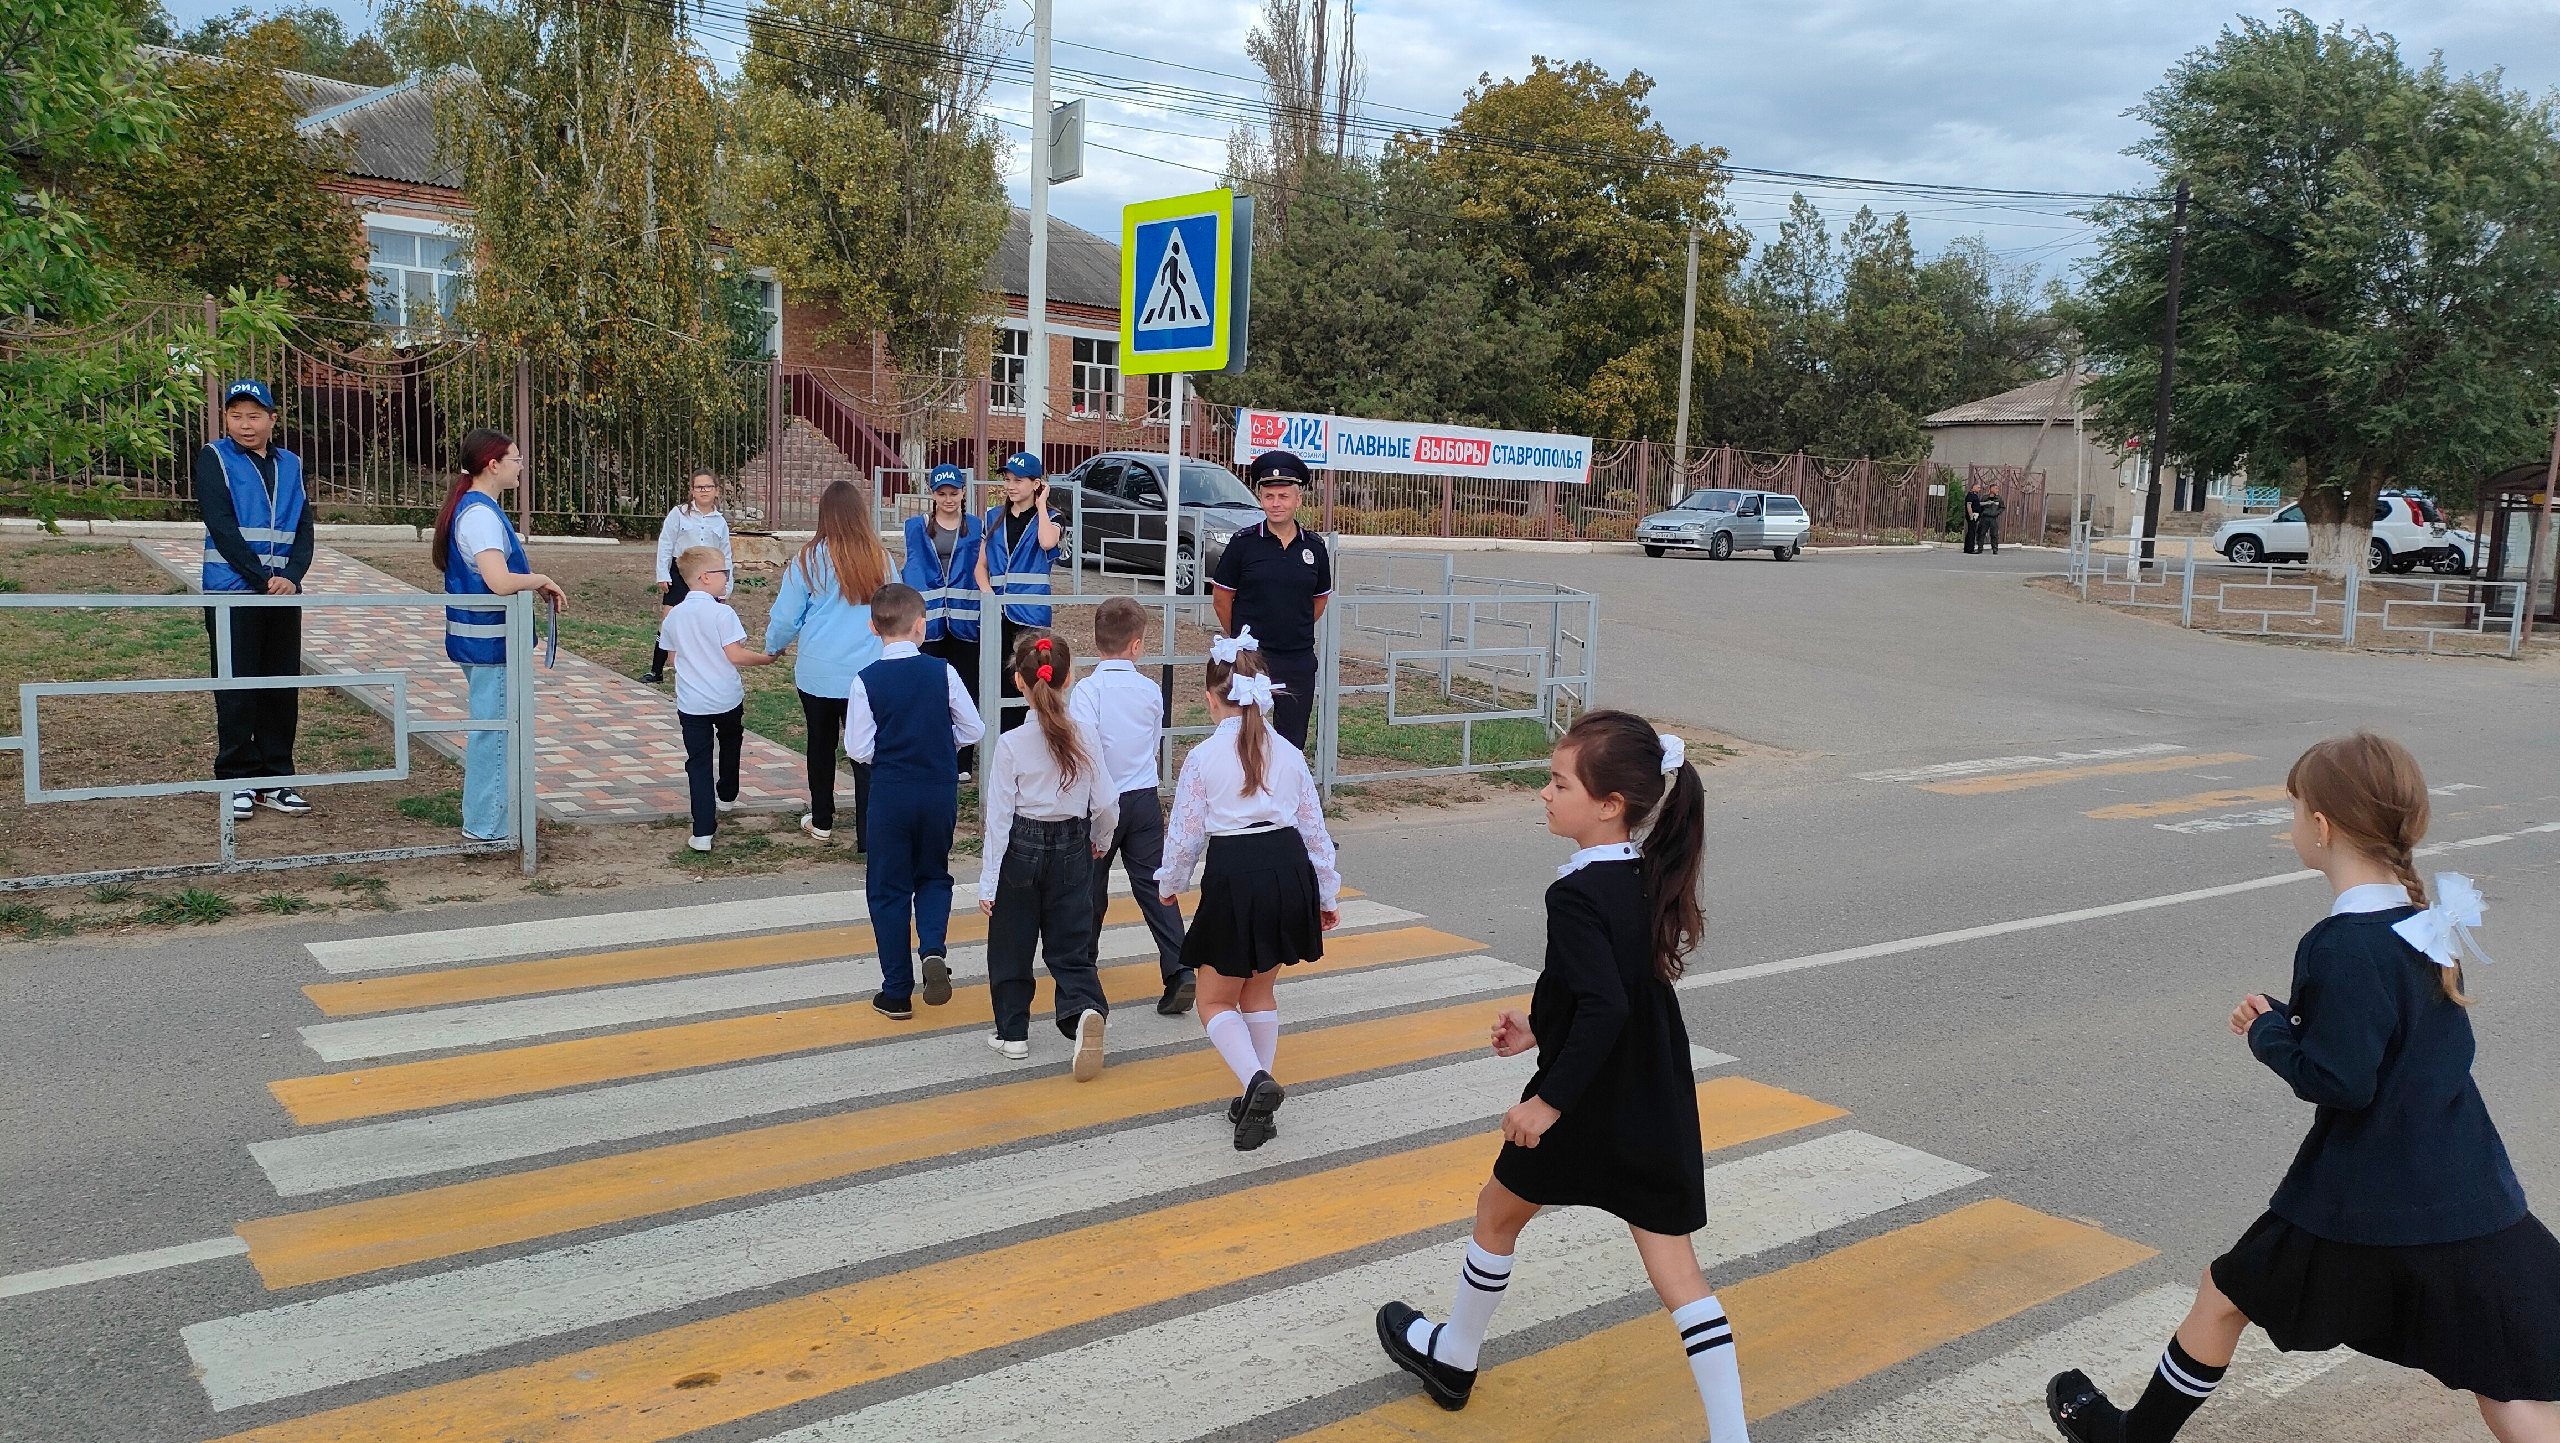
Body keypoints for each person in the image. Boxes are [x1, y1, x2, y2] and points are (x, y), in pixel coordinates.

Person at [2048, 733, 2559, 1443]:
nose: (2291, 827)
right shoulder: (2427, 924)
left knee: (2223, 1297)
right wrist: (2290, 1018)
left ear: (2321, 827)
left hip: (2358, 1197)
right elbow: (2403, 1043)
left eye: (2294, 812)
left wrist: (2270, 1036)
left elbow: (2342, 1079)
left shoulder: (2340, 942)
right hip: (2467, 1189)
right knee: (2508, 1376)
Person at [1374, 710, 1748, 1442]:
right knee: (1677, 1272)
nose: (1543, 792)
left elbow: (1605, 1003)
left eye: (1558, 781)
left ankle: (1453, 1357)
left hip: (1583, 1097)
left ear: (1608, 804)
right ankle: (1732, 1435)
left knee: (1496, 1212)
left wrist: (1547, 1099)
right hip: (1648, 1092)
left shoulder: (1574, 893)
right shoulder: (1644, 872)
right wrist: (1543, 1024)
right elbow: (1615, 988)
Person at [1155, 630, 1341, 1151]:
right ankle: (1254, 1101)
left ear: (1213, 699)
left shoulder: (1203, 757)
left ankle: (1257, 1082)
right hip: (1288, 869)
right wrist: (1326, 895)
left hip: (1236, 873)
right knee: (1259, 991)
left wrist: (1170, 884)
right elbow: (1314, 829)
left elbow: (1187, 832)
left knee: (1214, 1000)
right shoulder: (1286, 751)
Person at [976, 631, 1117, 1077]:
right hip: (1074, 844)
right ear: (1069, 678)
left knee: (1011, 943)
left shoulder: (1012, 744)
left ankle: (1012, 1033)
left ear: (1018, 682)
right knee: (1071, 942)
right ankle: (1083, 1012)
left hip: (1021, 847)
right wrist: (1100, 838)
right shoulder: (1087, 734)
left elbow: (998, 818)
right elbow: (1107, 802)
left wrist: (988, 882)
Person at [845, 582, 985, 1021]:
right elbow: (974, 729)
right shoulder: (942, 672)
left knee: (887, 890)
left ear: (873, 627)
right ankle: (933, 949)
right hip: (938, 789)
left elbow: (859, 748)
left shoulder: (865, 680)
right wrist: (942, 746)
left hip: (889, 792)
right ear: (921, 626)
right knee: (932, 875)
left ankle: (896, 991)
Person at [430, 429, 567, 843]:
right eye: (516, 459)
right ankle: (488, 827)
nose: (521, 467)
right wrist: (539, 578)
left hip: (481, 641)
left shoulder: (473, 508)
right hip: (492, 644)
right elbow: (498, 580)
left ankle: (493, 821)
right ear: (493, 464)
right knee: (494, 732)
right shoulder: (481, 516)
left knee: (493, 729)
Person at [195, 378, 317, 820]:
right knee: (237, 685)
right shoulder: (215, 458)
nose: (245, 425)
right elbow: (221, 526)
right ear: (226, 419)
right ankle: (236, 779)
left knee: (280, 686)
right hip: (232, 592)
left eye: (254, 415)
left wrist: (292, 577)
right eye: (236, 416)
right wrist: (262, 577)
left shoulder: (290, 464)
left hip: (281, 594)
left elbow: (303, 527)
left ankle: (275, 777)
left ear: (272, 419)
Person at [1072, 595, 1194, 1016]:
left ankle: (1082, 973)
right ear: (1137, 645)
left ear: (1096, 639)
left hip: (1099, 802)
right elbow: (1152, 740)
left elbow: (1084, 751)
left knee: (1090, 890)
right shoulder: (1150, 690)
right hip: (1143, 800)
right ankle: (1179, 968)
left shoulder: (1086, 691)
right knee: (1155, 886)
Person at [767, 480, 888, 849]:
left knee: (820, 744)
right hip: (867, 673)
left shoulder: (807, 559)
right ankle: (869, 834)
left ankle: (821, 820)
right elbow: (893, 607)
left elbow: (787, 616)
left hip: (818, 671)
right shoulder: (879, 556)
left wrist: (774, 647)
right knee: (865, 750)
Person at [1212, 450, 1332, 752]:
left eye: (1283, 496)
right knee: (1246, 737)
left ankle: (1285, 798)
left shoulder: (1314, 547)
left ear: (1298, 500)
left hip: (1297, 660)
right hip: (1253, 659)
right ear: (1261, 498)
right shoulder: (1243, 544)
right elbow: (1222, 599)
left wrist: (1292, 625)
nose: (1276, 503)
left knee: (1291, 742)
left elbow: (1318, 601)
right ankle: (1247, 795)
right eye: (1269, 496)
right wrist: (1242, 638)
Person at [659, 545, 776, 852]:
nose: (728, 577)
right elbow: (735, 654)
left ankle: (702, 831)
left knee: (697, 762)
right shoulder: (723, 613)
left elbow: (672, 659)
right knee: (731, 741)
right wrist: (766, 659)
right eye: (725, 572)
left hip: (692, 703)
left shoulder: (674, 616)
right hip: (726, 697)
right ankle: (727, 792)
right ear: (706, 577)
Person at [903, 464, 985, 780]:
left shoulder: (978, 527)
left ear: (963, 493)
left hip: (967, 623)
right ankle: (931, 752)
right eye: (942, 494)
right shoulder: (915, 528)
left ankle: (963, 760)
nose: (948, 499)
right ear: (932, 494)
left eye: (954, 493)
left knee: (966, 690)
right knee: (930, 689)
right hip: (929, 625)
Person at [973, 451, 1062, 734]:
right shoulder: (993, 517)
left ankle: (1035, 734)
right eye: (1008, 479)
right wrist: (989, 596)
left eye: (1019, 480)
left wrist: (1043, 504)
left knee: (1033, 676)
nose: (1010, 486)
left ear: (1036, 483)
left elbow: (1047, 543)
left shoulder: (1052, 517)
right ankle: (1003, 737)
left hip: (1032, 613)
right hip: (999, 613)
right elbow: (981, 566)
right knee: (1000, 679)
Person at [647, 472, 732, 683]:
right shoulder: (679, 514)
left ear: (716, 491)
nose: (704, 491)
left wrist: (726, 584)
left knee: (705, 623)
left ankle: (703, 671)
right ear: (692, 491)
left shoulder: (720, 521)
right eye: (699, 487)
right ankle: (656, 670)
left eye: (708, 487)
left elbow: (726, 553)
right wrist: (662, 574)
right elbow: (666, 543)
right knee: (668, 621)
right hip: (681, 572)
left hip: (708, 576)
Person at [1977, 487, 2005, 555]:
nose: (1997, 490)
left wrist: (1997, 513)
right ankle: (1980, 548)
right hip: (1985, 517)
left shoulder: (1999, 498)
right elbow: (1980, 506)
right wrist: (1981, 514)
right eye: (1995, 488)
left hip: (1993, 518)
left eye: (1997, 488)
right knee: (1981, 533)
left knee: (1994, 534)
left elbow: (2002, 507)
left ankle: (1995, 549)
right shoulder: (1985, 497)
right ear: (1991, 489)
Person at [1962, 484, 1984, 553]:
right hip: (1972, 516)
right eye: (1978, 487)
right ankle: (1969, 549)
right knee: (1971, 533)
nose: (1979, 489)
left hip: (1975, 516)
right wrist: (1971, 516)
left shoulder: (1975, 495)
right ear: (1973, 487)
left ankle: (1969, 548)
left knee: (1972, 532)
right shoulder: (1970, 495)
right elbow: (1969, 506)